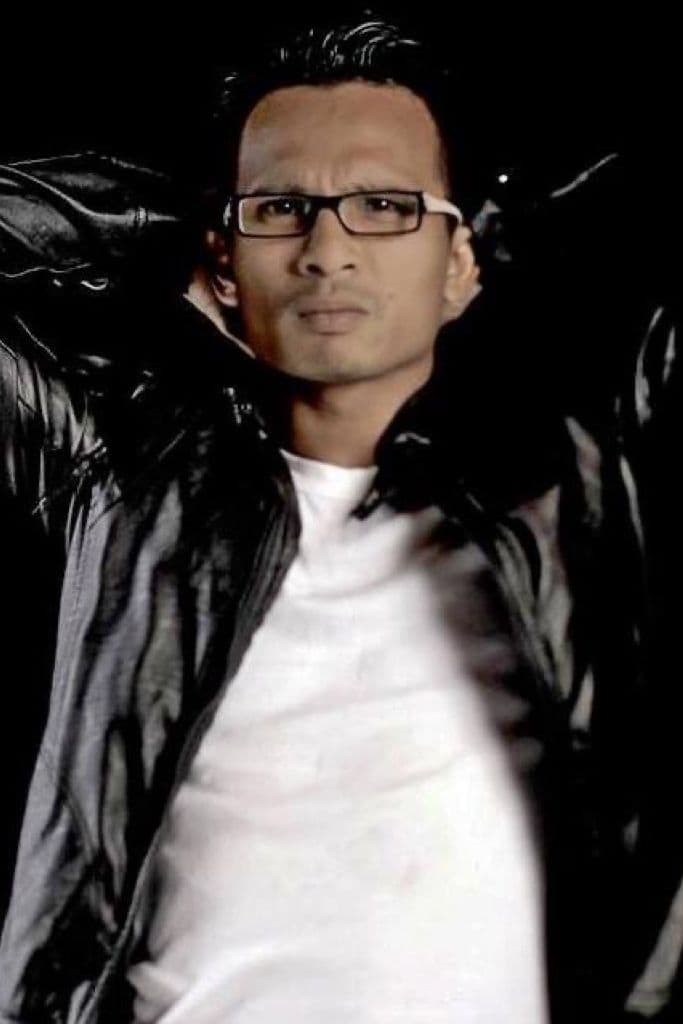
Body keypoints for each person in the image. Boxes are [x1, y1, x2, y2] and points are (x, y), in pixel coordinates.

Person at [0, 14, 664, 1023]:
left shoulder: (583, 487)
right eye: (283, 209)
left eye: (384, 207)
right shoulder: (121, 482)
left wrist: (513, 230)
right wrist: (166, 231)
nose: (326, 251)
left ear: (459, 262)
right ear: (225, 262)